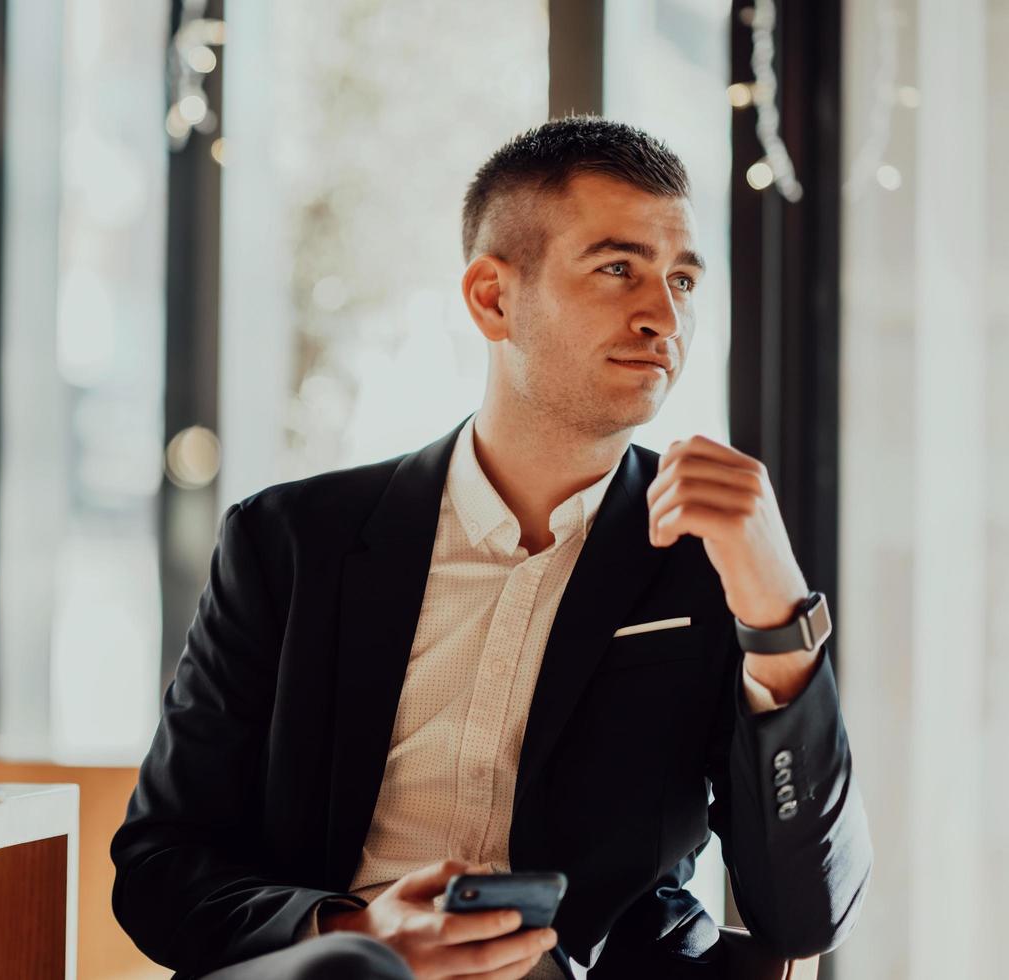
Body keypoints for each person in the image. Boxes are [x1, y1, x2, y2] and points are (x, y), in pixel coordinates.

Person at [110, 116, 871, 979]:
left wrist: (778, 621)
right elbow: (160, 869)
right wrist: (350, 931)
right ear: (492, 298)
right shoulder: (289, 543)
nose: (664, 316)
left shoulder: (715, 559)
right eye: (618, 268)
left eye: (684, 279)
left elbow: (806, 912)